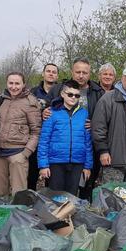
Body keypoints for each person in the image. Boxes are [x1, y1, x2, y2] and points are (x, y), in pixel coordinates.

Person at [47, 58, 104, 198]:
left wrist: (94, 124)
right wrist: (44, 111)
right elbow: (46, 107)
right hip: (60, 148)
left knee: (85, 183)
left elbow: (104, 117)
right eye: (78, 71)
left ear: (89, 74)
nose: (81, 75)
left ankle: (81, 211)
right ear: (72, 72)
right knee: (56, 190)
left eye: (84, 72)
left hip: (88, 145)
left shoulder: (97, 92)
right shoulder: (58, 89)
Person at [0, 72, 42, 197]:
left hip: (17, 153)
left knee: (18, 194)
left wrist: (26, 153)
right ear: (7, 84)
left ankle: (18, 216)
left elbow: (36, 131)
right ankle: (2, 215)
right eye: (11, 83)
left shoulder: (30, 103)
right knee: (0, 193)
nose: (14, 87)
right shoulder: (0, 100)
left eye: (17, 83)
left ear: (23, 84)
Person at [37, 80, 93, 195]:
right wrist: (43, 165)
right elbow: (44, 140)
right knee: (55, 196)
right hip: (56, 162)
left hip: (77, 163)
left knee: (71, 195)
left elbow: (87, 142)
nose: (73, 98)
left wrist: (87, 166)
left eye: (77, 95)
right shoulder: (52, 113)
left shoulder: (83, 114)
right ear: (63, 94)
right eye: (70, 94)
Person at [27, 62, 59, 190]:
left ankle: (49, 204)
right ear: (43, 73)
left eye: (54, 72)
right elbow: (26, 113)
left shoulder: (62, 92)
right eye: (48, 71)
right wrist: (41, 113)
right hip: (35, 138)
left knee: (51, 177)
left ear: (57, 76)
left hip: (54, 140)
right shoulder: (32, 92)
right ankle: (29, 204)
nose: (51, 74)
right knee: (32, 175)